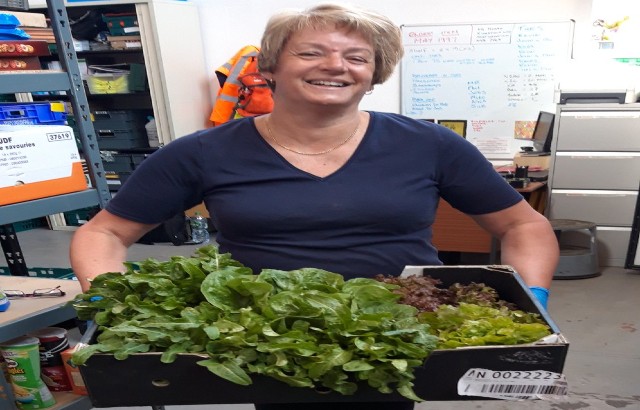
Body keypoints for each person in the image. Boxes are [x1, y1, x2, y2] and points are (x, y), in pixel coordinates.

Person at [70, 3, 559, 409]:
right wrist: (112, 301)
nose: (335, 65)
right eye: (311, 52)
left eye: (356, 57)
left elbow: (523, 226)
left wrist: (530, 295)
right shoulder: (203, 151)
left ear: (373, 74)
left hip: (394, 334)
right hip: (266, 338)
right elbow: (104, 233)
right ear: (270, 68)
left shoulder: (429, 145)